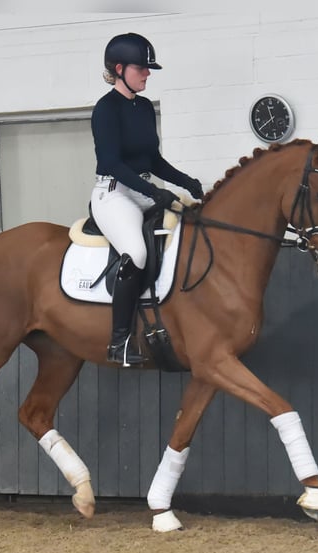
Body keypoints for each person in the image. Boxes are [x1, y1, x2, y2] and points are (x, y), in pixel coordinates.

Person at [90, 32, 205, 367]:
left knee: (188, 227)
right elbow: (112, 162)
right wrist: (155, 192)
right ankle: (119, 342)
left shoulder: (143, 107)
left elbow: (153, 160)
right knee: (136, 252)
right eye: (142, 68)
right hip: (114, 193)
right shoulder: (106, 109)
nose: (147, 74)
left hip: (141, 189)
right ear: (120, 68)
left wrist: (186, 182)